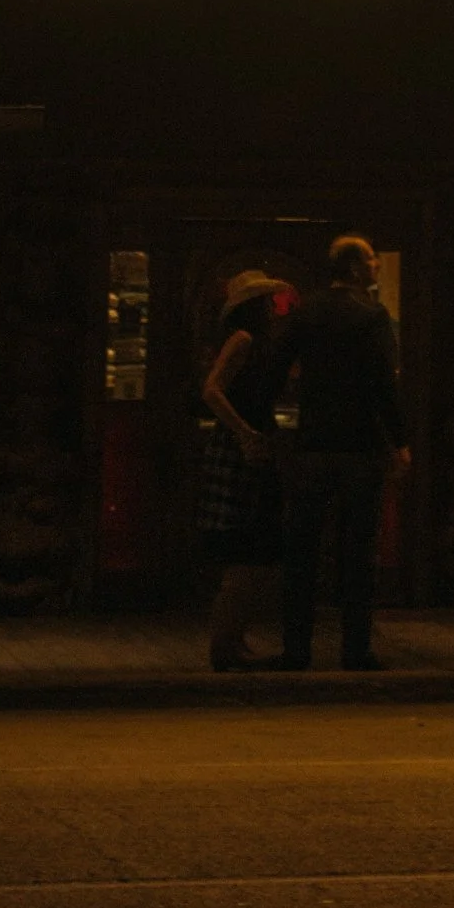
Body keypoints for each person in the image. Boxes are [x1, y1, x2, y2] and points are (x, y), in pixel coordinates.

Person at [272, 236, 408, 671]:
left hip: (313, 442)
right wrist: (399, 440)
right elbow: (384, 384)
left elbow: (275, 369)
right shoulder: (371, 317)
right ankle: (354, 648)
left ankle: (296, 647)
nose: (376, 266)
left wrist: (270, 424)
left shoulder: (305, 313)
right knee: (357, 551)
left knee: (302, 550)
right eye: (370, 260)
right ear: (353, 269)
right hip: (360, 445)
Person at [200, 269, 295, 668]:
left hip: (251, 441)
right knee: (245, 546)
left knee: (254, 545)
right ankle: (225, 644)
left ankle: (234, 639)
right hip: (241, 445)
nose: (274, 309)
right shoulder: (243, 340)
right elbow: (212, 390)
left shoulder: (260, 343)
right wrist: (242, 431)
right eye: (267, 303)